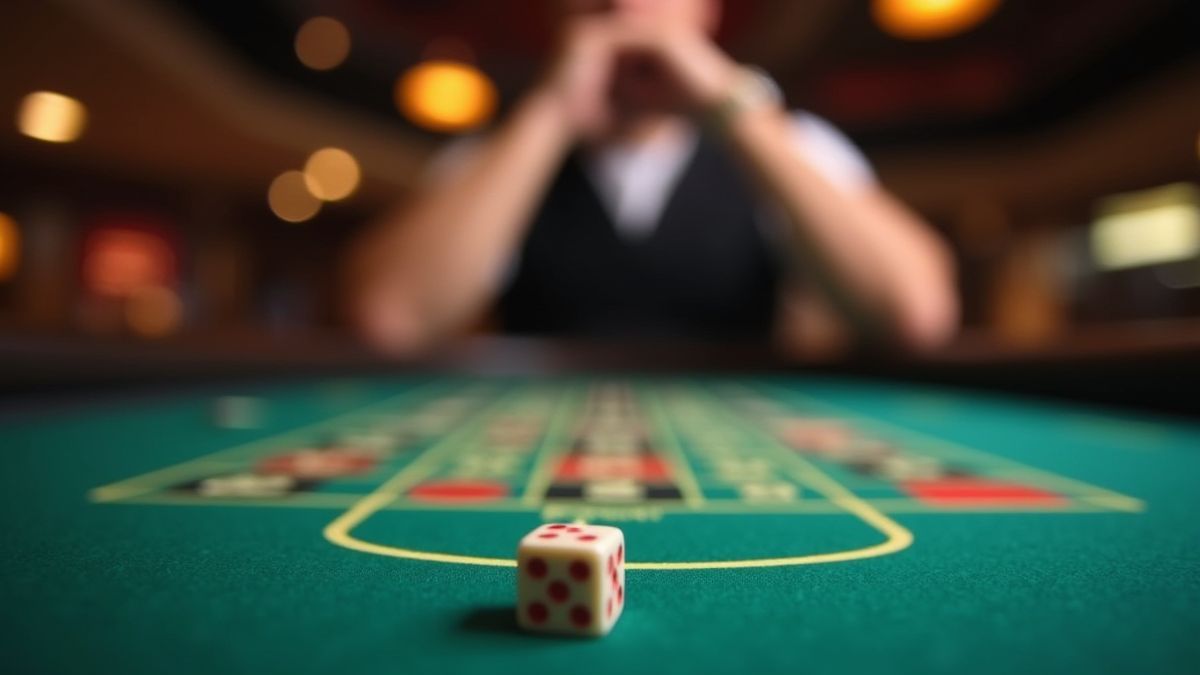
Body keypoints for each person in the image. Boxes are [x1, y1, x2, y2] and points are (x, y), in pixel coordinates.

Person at [345, 0, 958, 357]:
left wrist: (730, 105)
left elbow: (916, 314)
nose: (632, 13)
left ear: (707, 11)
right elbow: (388, 316)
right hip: (536, 448)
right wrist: (549, 114)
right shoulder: (495, 156)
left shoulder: (790, 142)